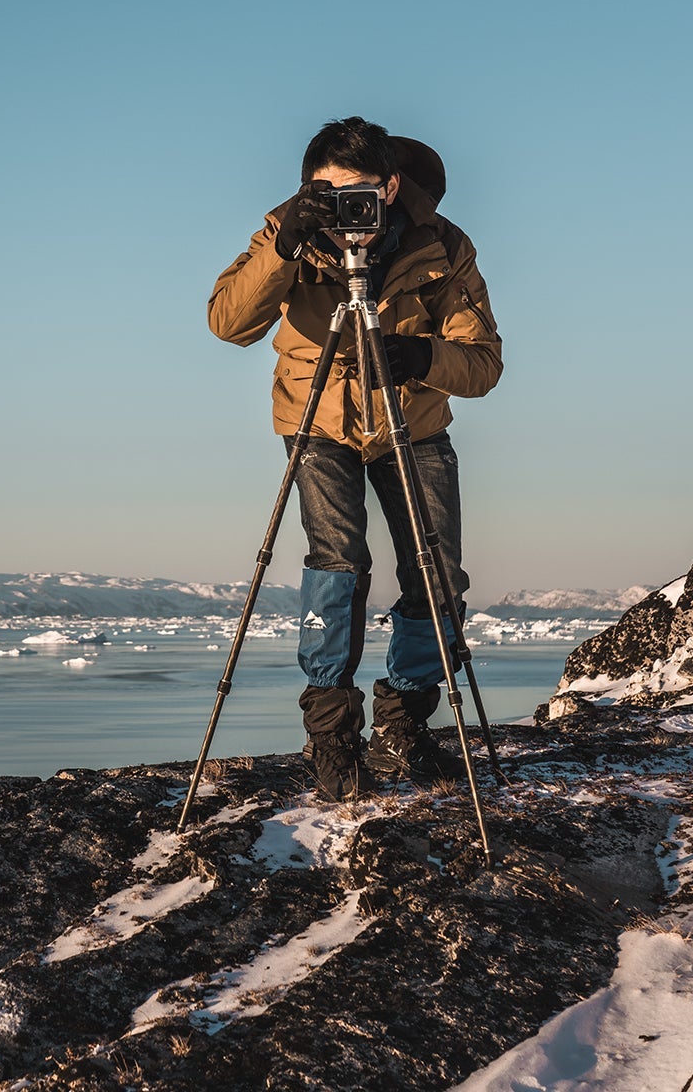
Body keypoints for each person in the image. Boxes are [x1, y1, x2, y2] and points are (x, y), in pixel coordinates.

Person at [208, 117, 502, 801]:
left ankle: (403, 714)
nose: (348, 212)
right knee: (336, 564)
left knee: (437, 574)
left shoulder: (441, 245)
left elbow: (483, 363)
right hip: (316, 421)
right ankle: (331, 729)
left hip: (413, 421)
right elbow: (228, 323)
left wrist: (422, 355)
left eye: (361, 194)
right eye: (327, 193)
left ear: (390, 186)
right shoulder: (289, 232)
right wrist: (284, 244)